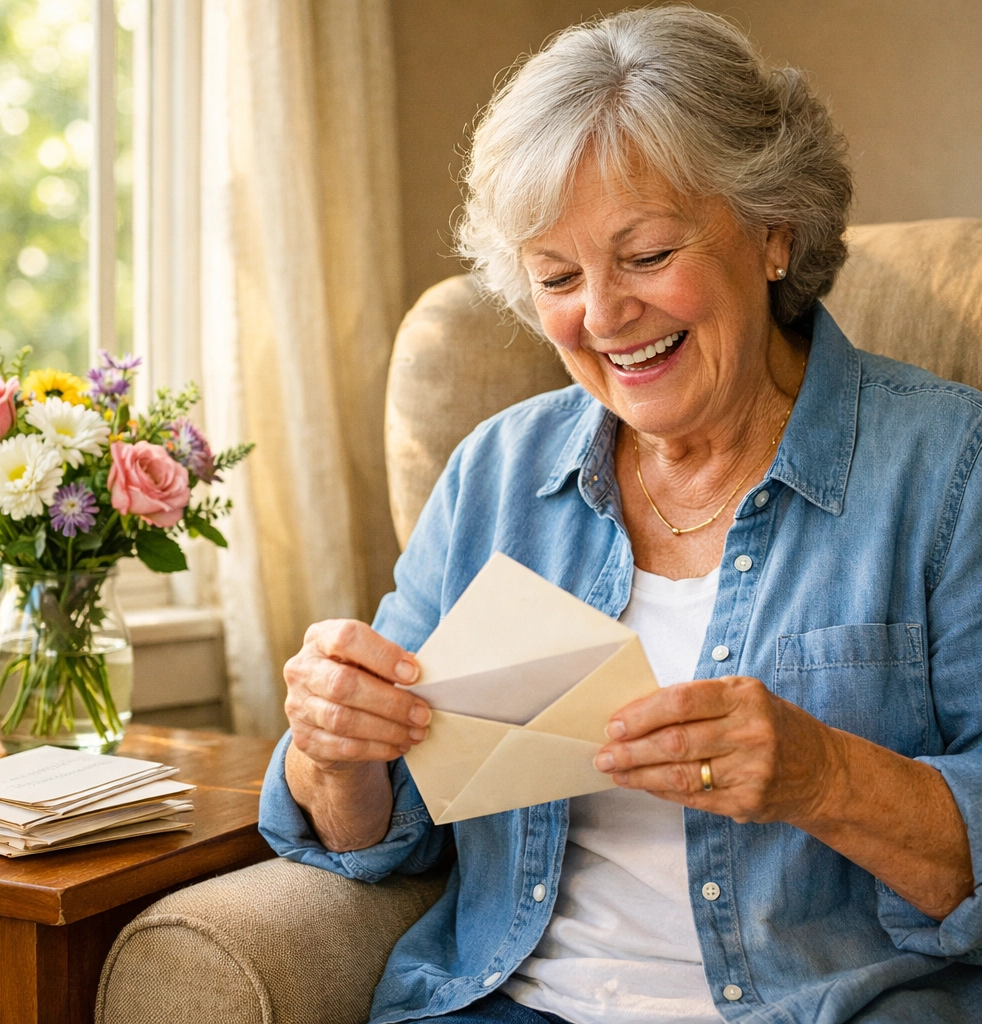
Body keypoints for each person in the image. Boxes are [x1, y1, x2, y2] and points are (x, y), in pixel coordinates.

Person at [259, 7, 982, 1022]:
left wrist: (822, 776)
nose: (601, 316)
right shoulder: (497, 477)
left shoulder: (950, 470)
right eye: (556, 276)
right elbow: (384, 833)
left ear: (772, 231)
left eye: (643, 256)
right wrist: (333, 746)